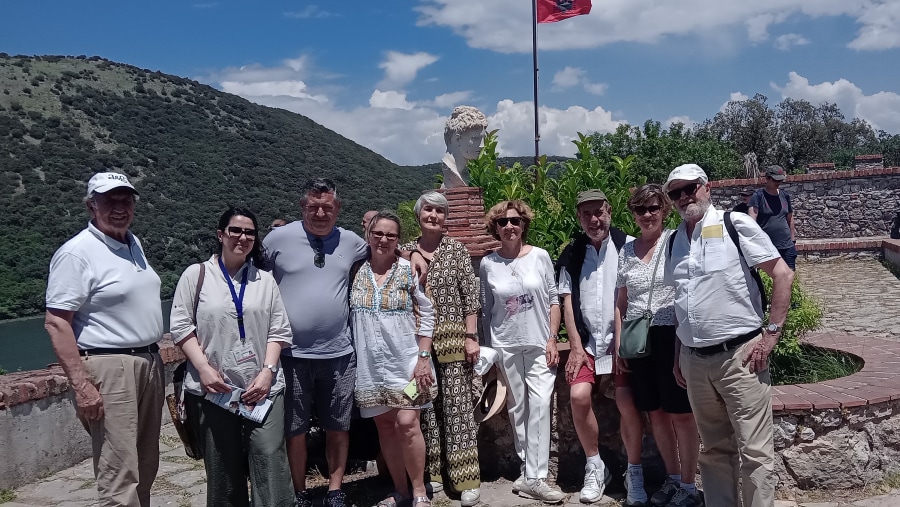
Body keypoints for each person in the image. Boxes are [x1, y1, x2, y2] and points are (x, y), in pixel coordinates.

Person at [264, 178, 427, 507]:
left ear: (338, 209)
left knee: (340, 425)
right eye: (313, 206)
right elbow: (254, 275)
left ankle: (337, 490)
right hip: (293, 354)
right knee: (294, 428)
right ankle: (300, 492)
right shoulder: (277, 239)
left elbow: (387, 247)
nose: (321, 212)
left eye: (328, 206)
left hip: (343, 355)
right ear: (302, 206)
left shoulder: (352, 242)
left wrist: (412, 253)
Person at [663, 164, 794, 507]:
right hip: (694, 361)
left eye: (689, 188)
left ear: (706, 187)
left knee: (755, 450)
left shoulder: (735, 224)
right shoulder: (673, 241)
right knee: (714, 450)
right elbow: (682, 301)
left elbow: (782, 274)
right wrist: (680, 351)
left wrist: (772, 334)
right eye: (674, 193)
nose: (682, 197)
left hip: (741, 356)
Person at [44, 172, 165, 507]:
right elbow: (56, 322)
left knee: (145, 464)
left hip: (148, 362)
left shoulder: (132, 243)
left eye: (125, 199)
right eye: (109, 200)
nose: (118, 207)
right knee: (118, 472)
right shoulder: (77, 253)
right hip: (110, 367)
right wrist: (83, 386)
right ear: (90, 205)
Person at [170, 207, 294, 507]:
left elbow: (279, 330)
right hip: (214, 390)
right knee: (222, 465)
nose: (242, 237)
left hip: (262, 387)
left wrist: (267, 371)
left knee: (269, 456)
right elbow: (180, 325)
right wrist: (202, 368)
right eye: (236, 230)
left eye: (250, 232)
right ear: (221, 234)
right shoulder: (196, 275)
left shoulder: (264, 280)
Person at [614, 185, 700, 507]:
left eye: (653, 208)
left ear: (664, 210)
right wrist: (621, 345)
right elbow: (620, 300)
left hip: (670, 335)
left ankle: (690, 488)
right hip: (639, 339)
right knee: (657, 413)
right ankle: (674, 479)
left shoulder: (675, 241)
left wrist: (681, 351)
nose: (647, 215)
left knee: (681, 414)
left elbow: (686, 292)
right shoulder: (626, 250)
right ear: (633, 214)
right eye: (640, 210)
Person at [479, 200, 565, 504]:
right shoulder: (488, 264)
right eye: (502, 222)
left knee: (540, 405)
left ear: (524, 224)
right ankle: (527, 471)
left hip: (540, 343)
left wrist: (553, 338)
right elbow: (486, 311)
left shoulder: (540, 256)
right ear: (495, 228)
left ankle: (537, 478)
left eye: (514, 221)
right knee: (517, 409)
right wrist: (487, 352)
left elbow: (554, 299)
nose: (509, 227)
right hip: (506, 344)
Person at [400, 192, 482, 506]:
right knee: (425, 412)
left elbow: (470, 296)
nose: (433, 215)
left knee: (458, 410)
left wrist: (471, 336)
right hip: (417, 345)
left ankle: (466, 480)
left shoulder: (456, 250)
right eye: (428, 209)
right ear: (419, 213)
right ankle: (432, 476)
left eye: (439, 210)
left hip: (452, 341)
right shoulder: (406, 252)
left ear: (445, 217)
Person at [351, 211, 436, 507]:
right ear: (368, 236)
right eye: (378, 234)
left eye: (391, 235)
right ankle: (399, 490)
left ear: (399, 240)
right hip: (372, 370)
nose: (384, 240)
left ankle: (420, 492)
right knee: (385, 427)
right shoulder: (355, 271)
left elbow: (427, 313)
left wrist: (423, 358)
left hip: (410, 367)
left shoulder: (407, 270)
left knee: (408, 422)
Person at [555, 189, 633, 504]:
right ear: (579, 218)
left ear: (609, 210)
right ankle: (595, 465)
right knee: (578, 395)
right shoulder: (572, 253)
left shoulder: (628, 246)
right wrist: (574, 345)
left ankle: (634, 469)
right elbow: (567, 300)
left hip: (622, 343)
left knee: (629, 402)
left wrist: (624, 342)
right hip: (587, 344)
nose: (593, 219)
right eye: (586, 214)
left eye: (598, 212)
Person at [748, 165, 797, 270]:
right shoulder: (758, 196)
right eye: (775, 180)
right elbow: (751, 221)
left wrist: (793, 241)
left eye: (780, 180)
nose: (778, 183)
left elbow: (790, 219)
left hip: (787, 246)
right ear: (767, 178)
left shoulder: (785, 196)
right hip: (767, 247)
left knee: (789, 277)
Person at [441, 106, 488, 188]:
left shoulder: (463, 174)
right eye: (476, 138)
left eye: (483, 139)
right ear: (457, 138)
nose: (482, 145)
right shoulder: (453, 174)